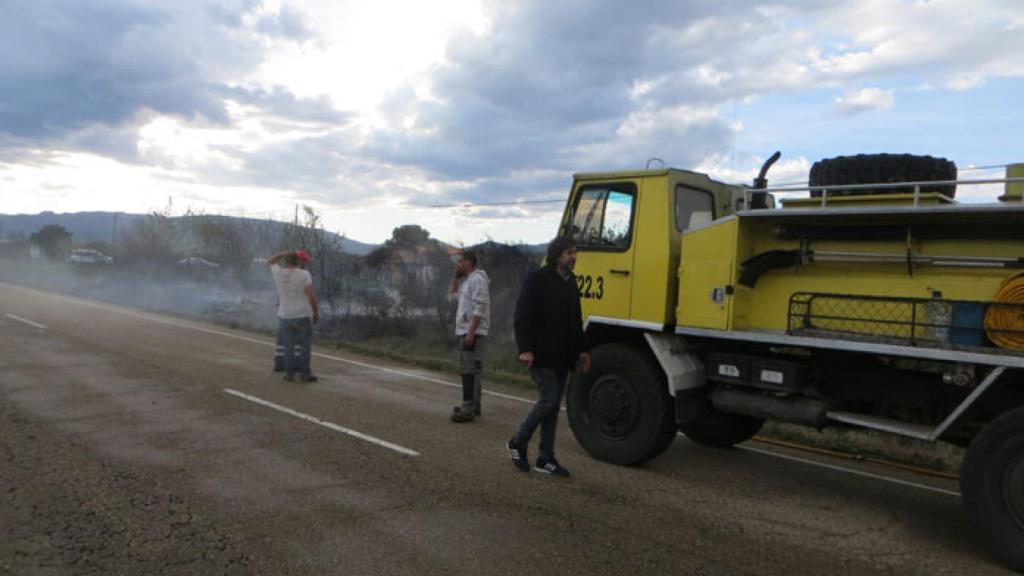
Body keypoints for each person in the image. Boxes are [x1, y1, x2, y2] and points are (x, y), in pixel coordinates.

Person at [507, 237, 590, 476]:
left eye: (575, 252)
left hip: (562, 356)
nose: (573, 257)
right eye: (569, 253)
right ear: (556, 255)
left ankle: (545, 458)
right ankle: (517, 442)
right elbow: (522, 316)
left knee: (552, 408)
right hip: (540, 354)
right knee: (549, 400)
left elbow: (576, 320)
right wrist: (525, 348)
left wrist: (582, 350)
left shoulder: (571, 282)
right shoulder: (537, 279)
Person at [449, 251, 491, 423]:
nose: (458, 264)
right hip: (466, 330)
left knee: (469, 369)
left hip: (473, 331)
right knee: (472, 369)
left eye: (461, 261)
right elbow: (453, 297)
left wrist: (471, 332)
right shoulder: (467, 281)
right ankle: (473, 404)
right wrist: (456, 278)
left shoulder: (477, 280)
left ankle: (468, 407)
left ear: (469, 262)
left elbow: (480, 307)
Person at [267, 250, 319, 382]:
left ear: (286, 261)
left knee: (288, 346)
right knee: (305, 346)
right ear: (297, 261)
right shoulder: (304, 274)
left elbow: (270, 261)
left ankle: (289, 374)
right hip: (302, 314)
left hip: (285, 315)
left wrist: (282, 253)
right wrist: (315, 312)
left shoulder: (278, 273)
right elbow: (310, 294)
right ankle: (304, 373)